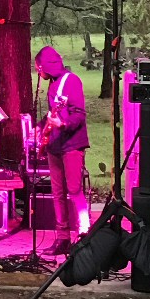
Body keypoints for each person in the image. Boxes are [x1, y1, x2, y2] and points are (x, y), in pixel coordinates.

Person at [34, 45, 91, 256]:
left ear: (44, 66)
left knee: (74, 190)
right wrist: (40, 126)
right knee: (57, 193)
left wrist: (63, 124)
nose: (38, 72)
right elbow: (53, 112)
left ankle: (85, 234)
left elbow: (79, 114)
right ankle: (62, 238)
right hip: (54, 145)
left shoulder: (71, 80)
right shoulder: (54, 84)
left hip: (72, 145)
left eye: (38, 68)